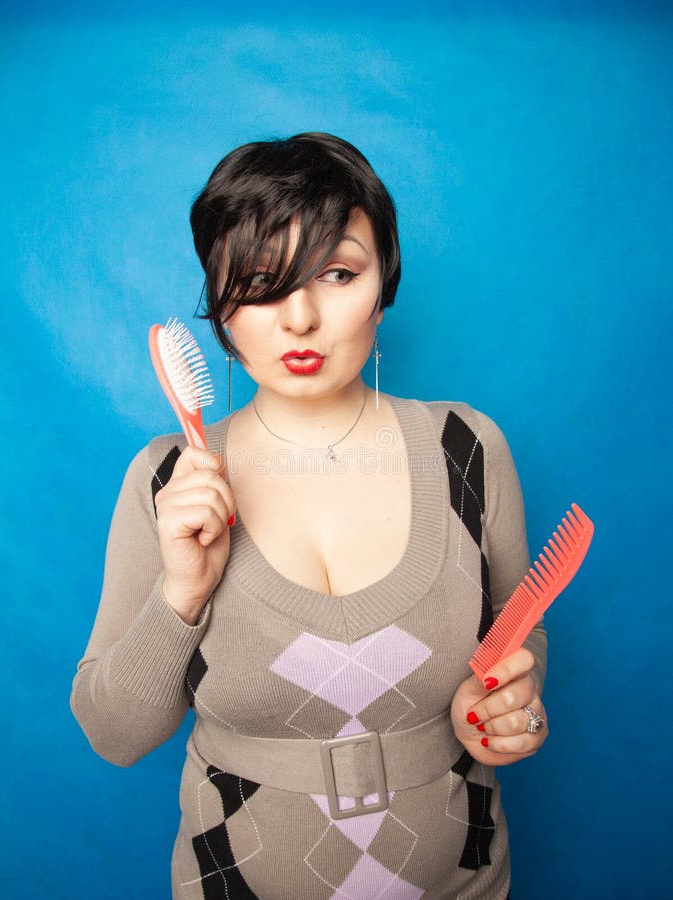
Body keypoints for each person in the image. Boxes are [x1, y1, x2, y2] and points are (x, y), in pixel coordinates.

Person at [71, 132, 548, 899]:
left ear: (383, 283)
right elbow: (115, 736)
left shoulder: (469, 451)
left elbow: (518, 635)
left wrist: (504, 708)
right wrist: (181, 596)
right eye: (261, 281)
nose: (299, 316)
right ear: (220, 307)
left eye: (336, 273)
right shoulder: (167, 479)